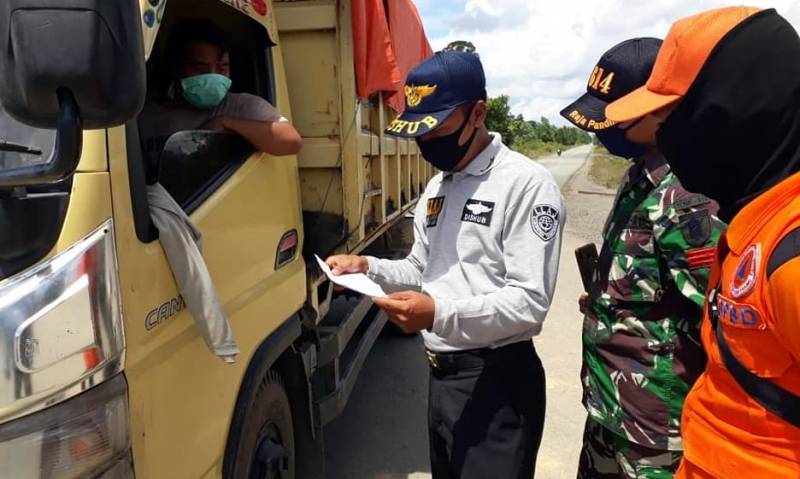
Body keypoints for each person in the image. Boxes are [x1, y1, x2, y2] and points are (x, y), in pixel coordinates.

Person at [327, 51, 565, 479]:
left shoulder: (525, 185)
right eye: (419, 131)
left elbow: (530, 302)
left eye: (437, 127)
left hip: (497, 382)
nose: (427, 141)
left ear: (478, 113)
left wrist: (438, 313)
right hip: (442, 380)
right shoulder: (439, 186)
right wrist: (368, 267)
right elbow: (422, 267)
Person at [606, 6, 800, 478]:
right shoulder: (752, 222)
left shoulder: (789, 250)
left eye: (674, 116)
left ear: (732, 108)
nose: (668, 140)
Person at [560, 38, 725, 478]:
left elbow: (722, 323)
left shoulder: (690, 195)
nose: (600, 130)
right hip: (610, 411)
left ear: (660, 108)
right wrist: (611, 304)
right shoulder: (641, 175)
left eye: (612, 118)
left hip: (659, 433)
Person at [139, 18, 301, 167]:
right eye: (200, 68)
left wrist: (226, 123)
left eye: (222, 67)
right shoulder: (144, 115)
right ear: (175, 68)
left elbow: (290, 141)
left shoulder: (239, 107)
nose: (213, 76)